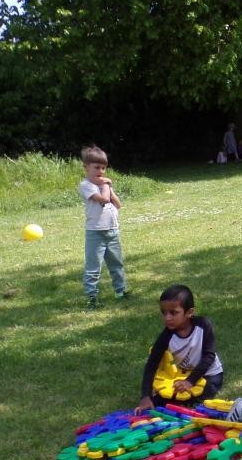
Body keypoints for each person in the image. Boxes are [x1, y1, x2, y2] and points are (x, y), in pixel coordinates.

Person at [134, 285, 223, 413]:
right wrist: (145, 396)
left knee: (199, 401)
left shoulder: (204, 326)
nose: (167, 318)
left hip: (210, 374)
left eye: (173, 312)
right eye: (164, 313)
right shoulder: (166, 336)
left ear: (189, 312)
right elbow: (151, 364)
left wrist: (190, 381)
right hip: (184, 375)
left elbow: (209, 357)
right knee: (161, 400)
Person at [78, 144, 129, 308]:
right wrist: (106, 185)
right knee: (93, 267)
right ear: (86, 167)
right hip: (96, 233)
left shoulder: (105, 185)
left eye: (104, 168)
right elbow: (104, 199)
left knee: (116, 264)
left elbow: (117, 204)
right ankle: (91, 298)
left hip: (112, 231)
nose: (100, 171)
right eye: (96, 167)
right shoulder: (86, 185)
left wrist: (109, 187)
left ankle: (120, 292)